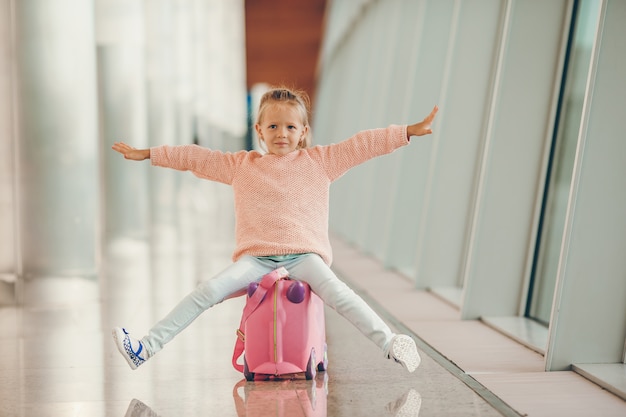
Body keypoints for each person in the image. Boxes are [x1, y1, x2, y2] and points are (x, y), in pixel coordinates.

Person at [111, 86, 438, 373]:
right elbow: (196, 158)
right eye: (273, 126)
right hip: (256, 260)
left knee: (340, 294)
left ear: (304, 131)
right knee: (207, 291)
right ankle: (145, 348)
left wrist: (406, 131)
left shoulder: (320, 161)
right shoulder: (241, 165)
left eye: (290, 126)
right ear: (259, 130)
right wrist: (149, 154)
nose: (282, 133)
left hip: (305, 258)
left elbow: (362, 144)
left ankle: (392, 344)